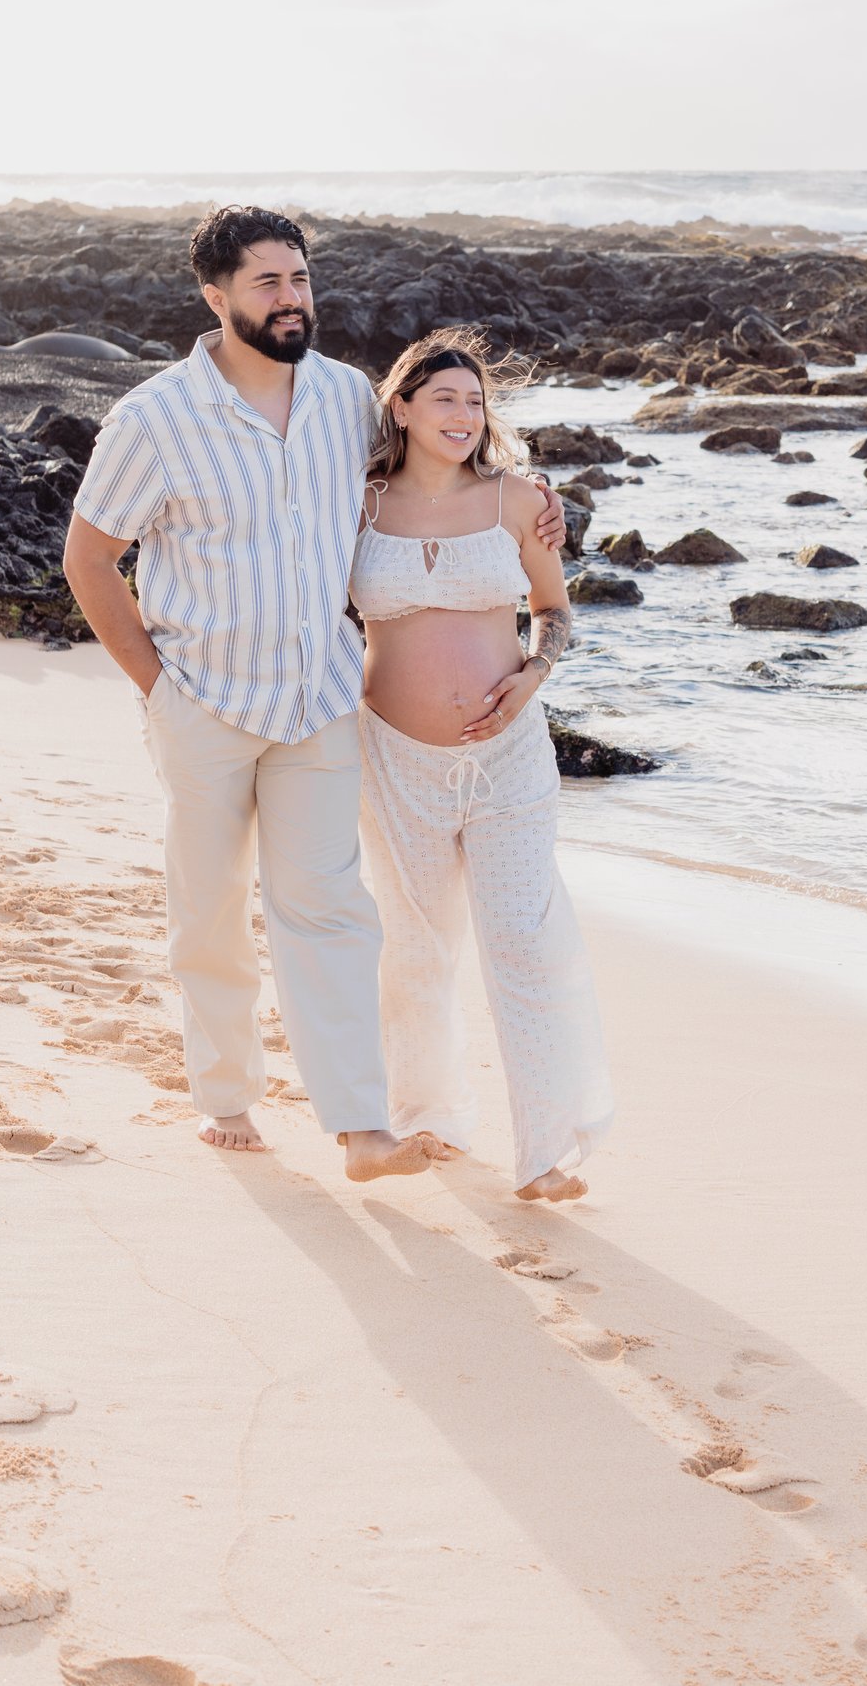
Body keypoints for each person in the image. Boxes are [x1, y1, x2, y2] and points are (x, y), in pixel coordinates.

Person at [59, 208, 561, 1182]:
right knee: (207, 912)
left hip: (321, 701)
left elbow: (434, 455)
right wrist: (157, 690)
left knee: (329, 910)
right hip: (201, 701)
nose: (292, 301)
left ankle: (360, 1127)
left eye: (299, 280)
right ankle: (225, 1097)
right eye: (267, 284)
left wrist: (523, 492)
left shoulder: (344, 400)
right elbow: (90, 557)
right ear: (215, 296)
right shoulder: (153, 419)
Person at [349, 329, 615, 1202]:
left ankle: (544, 1151)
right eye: (445, 400)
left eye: (475, 402)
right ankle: (429, 1117)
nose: (464, 416)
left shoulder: (518, 502)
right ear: (401, 407)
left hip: (509, 760)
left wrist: (534, 675)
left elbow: (555, 612)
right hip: (392, 755)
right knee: (414, 947)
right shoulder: (359, 504)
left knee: (523, 942)